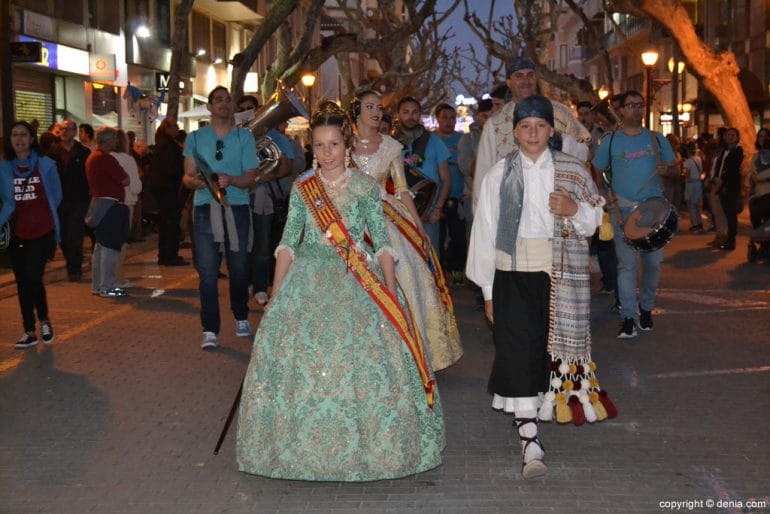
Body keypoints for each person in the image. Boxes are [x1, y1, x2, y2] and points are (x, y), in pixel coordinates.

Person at [236, 101, 445, 481]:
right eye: (319, 145)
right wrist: (276, 294)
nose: (327, 153)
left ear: (346, 147)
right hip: (307, 282)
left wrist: (391, 294)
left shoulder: (365, 187)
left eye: (333, 145)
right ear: (312, 148)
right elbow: (288, 243)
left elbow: (381, 243)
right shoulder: (303, 188)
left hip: (358, 279)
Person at [466, 96, 612, 480]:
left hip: (558, 275)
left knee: (546, 352)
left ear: (552, 130)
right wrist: (488, 292)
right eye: (525, 127)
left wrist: (573, 210)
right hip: (511, 273)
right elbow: (484, 232)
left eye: (540, 126)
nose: (533, 134)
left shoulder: (572, 170)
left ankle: (540, 413)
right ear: (514, 132)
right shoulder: (499, 174)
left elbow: (596, 218)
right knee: (517, 351)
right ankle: (529, 436)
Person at [349, 90, 463, 371]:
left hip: (387, 216)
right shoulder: (342, 144)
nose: (376, 111)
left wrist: (418, 226)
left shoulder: (390, 146)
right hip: (349, 216)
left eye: (379, 107)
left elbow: (401, 190)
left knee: (409, 276)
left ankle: (408, 354)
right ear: (357, 111)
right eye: (369, 106)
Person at [592, 91, 676, 338]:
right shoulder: (610, 140)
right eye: (631, 106)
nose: (636, 110)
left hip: (653, 211)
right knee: (626, 266)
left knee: (653, 265)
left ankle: (646, 308)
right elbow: (596, 170)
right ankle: (628, 317)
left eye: (640, 105)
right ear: (621, 110)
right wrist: (604, 194)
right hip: (623, 210)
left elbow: (674, 171)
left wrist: (668, 171)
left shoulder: (657, 138)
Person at [183, 86, 259, 349]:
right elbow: (187, 176)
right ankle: (209, 329)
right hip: (204, 208)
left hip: (236, 207)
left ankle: (240, 314)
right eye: (218, 100)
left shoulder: (244, 137)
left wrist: (232, 180)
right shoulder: (194, 137)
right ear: (209, 106)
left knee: (238, 268)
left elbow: (251, 177)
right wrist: (197, 182)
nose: (224, 104)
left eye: (228, 100)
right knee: (207, 271)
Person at [474, 56, 591, 211]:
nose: (525, 81)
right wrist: (481, 216)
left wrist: (562, 142)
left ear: (536, 79)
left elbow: (584, 152)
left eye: (530, 75)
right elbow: (484, 172)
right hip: (512, 209)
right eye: (519, 76)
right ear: (509, 82)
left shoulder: (560, 112)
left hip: (557, 203)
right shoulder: (494, 124)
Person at [0, 121, 62, 348]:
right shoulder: (4, 169)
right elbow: (6, 203)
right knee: (22, 282)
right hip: (18, 233)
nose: (19, 139)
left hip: (43, 231)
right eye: (14, 135)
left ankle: (44, 320)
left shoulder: (46, 165)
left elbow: (57, 195)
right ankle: (29, 330)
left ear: (32, 139)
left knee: (34, 277)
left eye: (23, 135)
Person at [235, 94, 294, 306]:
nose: (246, 111)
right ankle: (245, 284)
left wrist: (263, 177)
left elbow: (286, 167)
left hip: (262, 197)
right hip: (238, 197)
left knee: (261, 244)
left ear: (257, 110)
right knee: (241, 245)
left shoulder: (273, 137)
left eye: (250, 107)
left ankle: (260, 287)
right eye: (242, 108)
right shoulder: (233, 136)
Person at [393, 96, 452, 250]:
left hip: (428, 214)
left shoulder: (434, 141)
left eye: (414, 112)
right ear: (398, 114)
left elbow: (446, 179)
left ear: (420, 114)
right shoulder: (390, 144)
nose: (410, 116)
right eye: (405, 112)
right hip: (399, 215)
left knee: (430, 260)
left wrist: (437, 208)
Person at [86, 127, 130, 298]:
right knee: (110, 248)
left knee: (100, 248)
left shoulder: (92, 157)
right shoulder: (105, 159)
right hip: (111, 207)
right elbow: (125, 180)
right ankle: (107, 286)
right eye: (114, 139)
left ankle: (97, 285)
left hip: (100, 205)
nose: (116, 142)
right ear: (109, 140)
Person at [48, 119, 91, 282]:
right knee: (63, 235)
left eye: (69, 129)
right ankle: (70, 261)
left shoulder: (83, 152)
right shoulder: (53, 153)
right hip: (59, 200)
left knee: (75, 233)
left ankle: (75, 268)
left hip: (78, 199)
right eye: (63, 128)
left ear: (75, 132)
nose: (65, 132)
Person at [434, 103, 467, 281]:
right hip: (436, 197)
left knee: (458, 236)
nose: (448, 121)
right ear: (437, 119)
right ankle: (439, 273)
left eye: (452, 118)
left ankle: (458, 271)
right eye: (444, 117)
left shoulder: (463, 140)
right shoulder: (432, 140)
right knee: (437, 236)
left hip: (457, 196)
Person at [151, 117, 188, 266]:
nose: (176, 129)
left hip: (163, 188)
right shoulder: (167, 146)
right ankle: (169, 255)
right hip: (168, 188)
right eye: (173, 126)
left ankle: (166, 254)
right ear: (166, 128)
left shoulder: (163, 144)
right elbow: (171, 168)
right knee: (170, 222)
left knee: (167, 222)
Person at [112, 129, 143, 287]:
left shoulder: (105, 158)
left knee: (106, 244)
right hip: (126, 204)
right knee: (121, 243)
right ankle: (118, 279)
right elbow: (136, 186)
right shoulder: (128, 160)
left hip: (107, 204)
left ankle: (106, 279)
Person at [458, 98, 493, 227]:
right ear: (477, 117)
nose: (488, 120)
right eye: (485, 116)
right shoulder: (468, 139)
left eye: (492, 116)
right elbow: (465, 167)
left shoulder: (504, 137)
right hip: (474, 197)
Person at [708, 128, 743, 251]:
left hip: (728, 186)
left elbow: (733, 169)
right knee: (718, 212)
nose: (730, 137)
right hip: (717, 184)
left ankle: (730, 240)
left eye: (733, 135)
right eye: (728, 135)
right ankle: (720, 236)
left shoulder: (738, 150)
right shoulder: (724, 151)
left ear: (737, 137)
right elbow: (717, 166)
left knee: (730, 214)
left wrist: (722, 180)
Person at [681, 142, 704, 232]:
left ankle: (695, 224)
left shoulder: (688, 162)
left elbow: (687, 174)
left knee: (691, 205)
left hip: (690, 184)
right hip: (698, 183)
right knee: (697, 205)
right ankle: (699, 223)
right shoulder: (698, 159)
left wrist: (683, 175)